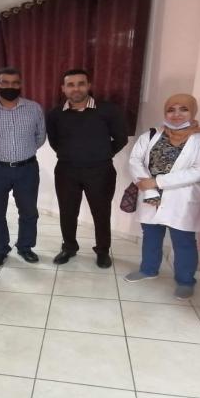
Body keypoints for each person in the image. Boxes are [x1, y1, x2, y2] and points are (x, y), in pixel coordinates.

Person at [124, 94, 200, 299]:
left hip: (182, 198)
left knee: (183, 241)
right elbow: (135, 161)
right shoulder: (151, 134)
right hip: (150, 196)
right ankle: (148, 269)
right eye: (171, 109)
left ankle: (185, 281)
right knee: (150, 235)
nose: (176, 114)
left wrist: (157, 182)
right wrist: (149, 189)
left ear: (192, 112)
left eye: (183, 109)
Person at [46, 69, 128, 268]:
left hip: (101, 171)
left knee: (101, 213)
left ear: (89, 86)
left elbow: (121, 139)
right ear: (63, 88)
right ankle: (69, 248)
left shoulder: (108, 110)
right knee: (67, 212)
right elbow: (54, 141)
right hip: (66, 171)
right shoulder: (55, 114)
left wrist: (102, 155)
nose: (76, 88)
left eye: (81, 83)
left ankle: (102, 251)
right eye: (71, 84)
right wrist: (71, 155)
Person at [0, 67, 46, 267]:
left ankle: (25, 247)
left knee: (29, 211)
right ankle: (0, 249)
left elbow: (40, 137)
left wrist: (23, 153)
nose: (10, 86)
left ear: (21, 84)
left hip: (27, 169)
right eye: (5, 82)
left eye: (15, 83)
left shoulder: (34, 108)